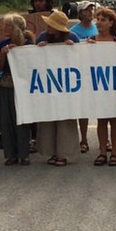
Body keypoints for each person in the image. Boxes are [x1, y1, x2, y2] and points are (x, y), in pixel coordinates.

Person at [33, 10, 78, 166]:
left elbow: (81, 60)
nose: (48, 27)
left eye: (51, 25)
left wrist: (73, 49)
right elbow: (33, 61)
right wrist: (38, 50)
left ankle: (64, 154)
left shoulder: (72, 38)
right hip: (48, 87)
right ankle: (51, 151)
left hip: (66, 87)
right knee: (48, 120)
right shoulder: (41, 37)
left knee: (65, 121)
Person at [0, 13, 34, 166]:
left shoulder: (28, 43)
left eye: (7, 26)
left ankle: (24, 153)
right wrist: (3, 54)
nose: (3, 28)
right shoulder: (3, 44)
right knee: (6, 120)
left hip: (22, 85)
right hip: (6, 83)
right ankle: (10, 154)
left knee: (22, 119)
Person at [87, 7, 116, 166]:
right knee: (101, 119)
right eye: (98, 19)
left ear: (111, 23)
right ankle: (102, 151)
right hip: (99, 85)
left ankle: (114, 152)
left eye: (103, 20)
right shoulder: (91, 40)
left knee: (115, 119)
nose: (99, 22)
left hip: (115, 85)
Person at [70, 1, 99, 154]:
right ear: (80, 13)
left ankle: (104, 139)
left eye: (91, 9)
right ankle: (83, 138)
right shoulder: (74, 31)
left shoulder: (97, 27)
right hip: (81, 72)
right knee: (82, 109)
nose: (90, 12)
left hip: (96, 71)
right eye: (87, 10)